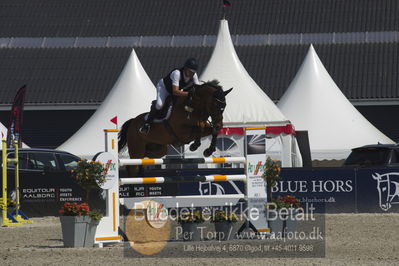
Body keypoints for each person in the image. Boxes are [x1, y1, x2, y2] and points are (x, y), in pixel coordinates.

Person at [139, 58, 201, 134]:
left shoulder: (194, 75)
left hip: (176, 91)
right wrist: (188, 94)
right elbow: (175, 91)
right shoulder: (177, 73)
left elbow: (198, 88)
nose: (192, 74)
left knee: (183, 105)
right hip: (164, 88)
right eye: (190, 71)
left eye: (193, 72)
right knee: (159, 105)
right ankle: (147, 124)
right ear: (185, 68)